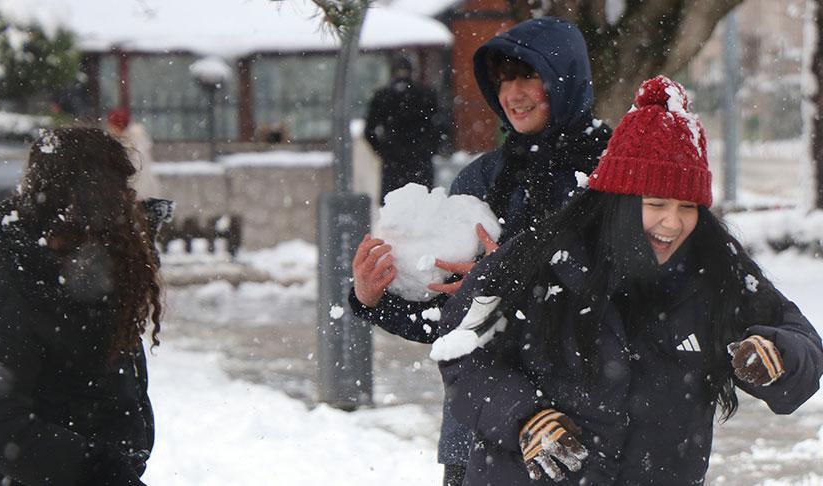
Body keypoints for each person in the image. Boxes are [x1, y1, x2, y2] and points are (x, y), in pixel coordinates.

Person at [437, 75, 823, 485]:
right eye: (655, 204)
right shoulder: (540, 256)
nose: (672, 223)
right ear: (616, 201)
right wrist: (523, 418)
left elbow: (801, 341)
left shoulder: (715, 269)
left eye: (688, 207)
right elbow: (461, 351)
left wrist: (778, 356)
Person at [350, 18, 612, 485]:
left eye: (529, 75)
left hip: (584, 431)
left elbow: (630, 300)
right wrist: (375, 300)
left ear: (565, 76)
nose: (513, 94)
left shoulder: (613, 175)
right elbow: (450, 327)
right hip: (482, 434)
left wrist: (506, 281)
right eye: (504, 80)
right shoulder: (482, 181)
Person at [0, 127, 165, 485]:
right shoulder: (10, 282)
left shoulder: (97, 267)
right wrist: (95, 469)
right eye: (114, 191)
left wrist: (120, 459)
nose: (127, 200)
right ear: (81, 200)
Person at [364, 55, 443, 198]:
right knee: (423, 207)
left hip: (394, 164)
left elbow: (369, 131)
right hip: (420, 162)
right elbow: (440, 126)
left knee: (394, 209)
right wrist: (429, 149)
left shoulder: (383, 96)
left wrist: (384, 151)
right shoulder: (426, 95)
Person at [107, 107, 162, 200]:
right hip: (139, 190)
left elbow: (136, 167)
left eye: (112, 125)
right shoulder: (127, 139)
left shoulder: (133, 141)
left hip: (140, 191)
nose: (109, 128)